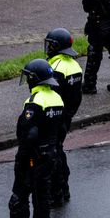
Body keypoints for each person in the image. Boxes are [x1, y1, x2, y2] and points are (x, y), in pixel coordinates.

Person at [0, 58, 64, 218]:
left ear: (34, 80)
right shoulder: (57, 99)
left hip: (32, 158)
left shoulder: (34, 102)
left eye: (28, 78)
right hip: (50, 156)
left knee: (19, 198)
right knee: (42, 202)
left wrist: (22, 159)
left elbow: (28, 134)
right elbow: (60, 129)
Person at [45, 28, 83, 205]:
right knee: (58, 148)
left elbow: (51, 95)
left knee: (52, 154)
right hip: (67, 115)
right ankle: (64, 188)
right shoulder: (74, 65)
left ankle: (56, 192)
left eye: (50, 45)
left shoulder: (55, 68)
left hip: (55, 117)